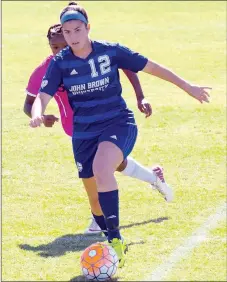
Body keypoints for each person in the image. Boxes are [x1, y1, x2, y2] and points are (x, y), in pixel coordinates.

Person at [29, 2, 211, 266]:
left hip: (117, 123)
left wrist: (186, 86)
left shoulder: (111, 51)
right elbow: (41, 96)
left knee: (103, 169)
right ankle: (114, 236)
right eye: (67, 32)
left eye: (77, 30)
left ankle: (115, 241)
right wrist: (37, 112)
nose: (72, 37)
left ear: (88, 27)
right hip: (84, 133)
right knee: (94, 199)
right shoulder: (60, 63)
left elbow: (151, 67)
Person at [24, 21, 173, 236]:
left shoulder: (91, 55)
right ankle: (153, 177)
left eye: (64, 45)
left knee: (100, 171)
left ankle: (101, 222)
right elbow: (29, 104)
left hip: (105, 121)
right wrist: (40, 116)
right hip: (77, 129)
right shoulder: (49, 68)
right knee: (113, 166)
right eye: (55, 47)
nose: (61, 50)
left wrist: (141, 96)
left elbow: (127, 64)